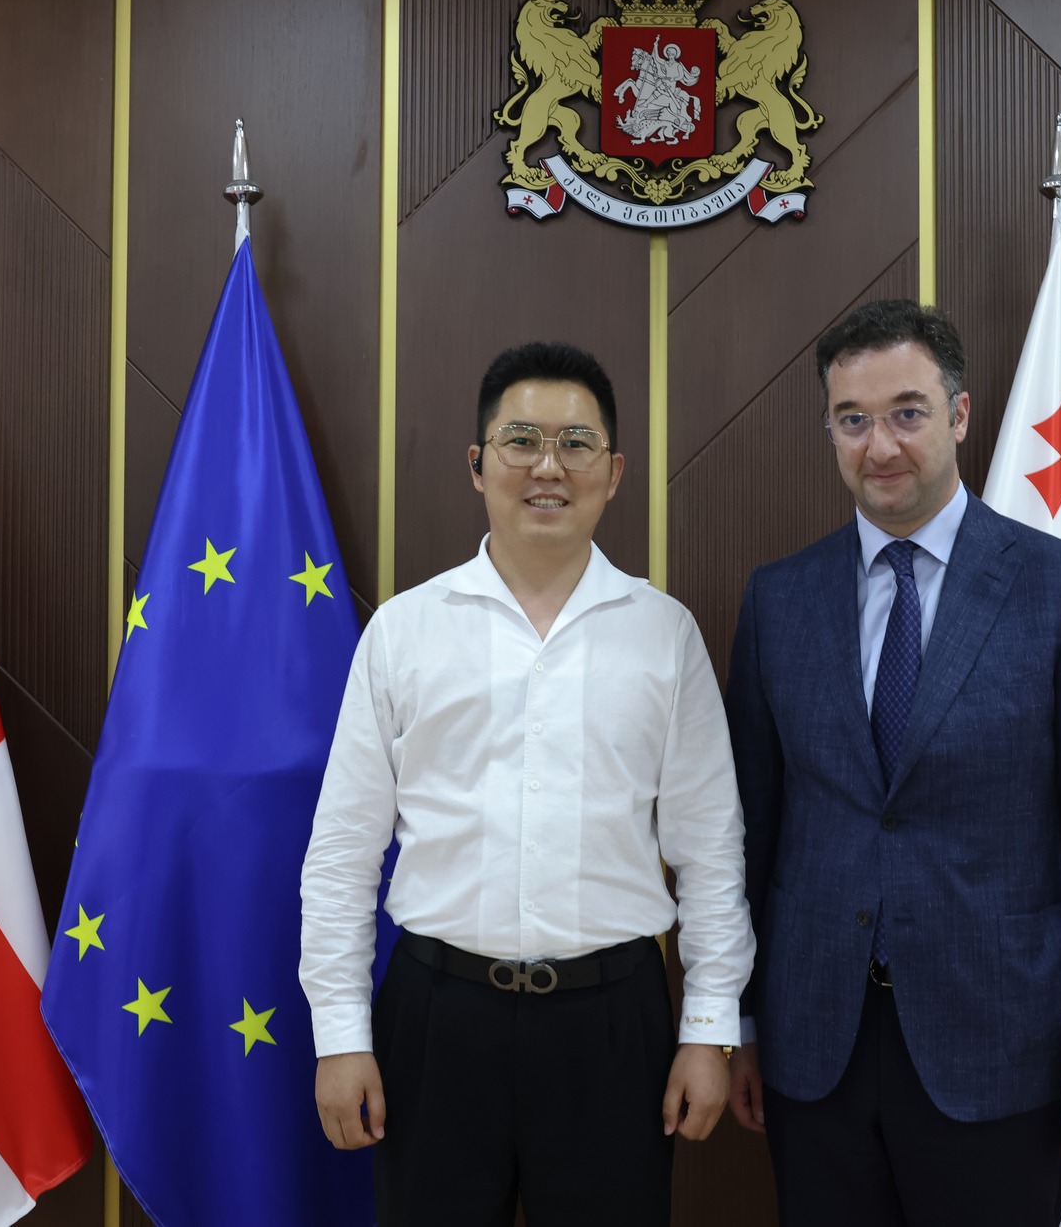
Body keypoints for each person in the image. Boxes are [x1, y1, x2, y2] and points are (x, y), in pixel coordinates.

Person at [724, 300, 1061, 1226]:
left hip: (1001, 1052)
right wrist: (743, 1019)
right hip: (816, 1051)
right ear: (829, 429)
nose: (880, 445)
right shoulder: (778, 601)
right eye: (853, 419)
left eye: (907, 413)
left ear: (960, 415)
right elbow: (753, 833)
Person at [300, 341, 752, 1227]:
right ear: (478, 464)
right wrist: (340, 1035)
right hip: (437, 1018)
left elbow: (710, 852)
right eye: (521, 440)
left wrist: (708, 1028)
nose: (549, 466)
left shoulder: (664, 634)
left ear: (613, 472)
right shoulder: (405, 631)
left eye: (577, 443)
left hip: (612, 1024)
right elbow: (344, 851)